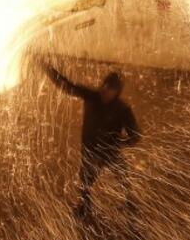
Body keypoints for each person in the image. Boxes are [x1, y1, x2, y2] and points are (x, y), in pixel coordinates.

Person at [41, 60, 141, 218]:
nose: (106, 93)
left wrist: (118, 142)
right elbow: (67, 86)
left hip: (110, 151)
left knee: (122, 176)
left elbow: (135, 136)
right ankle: (84, 204)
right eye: (105, 88)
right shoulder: (92, 96)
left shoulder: (123, 109)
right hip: (91, 150)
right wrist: (48, 69)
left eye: (111, 91)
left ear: (117, 92)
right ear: (102, 85)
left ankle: (130, 201)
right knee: (85, 180)